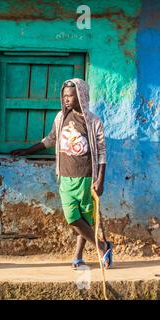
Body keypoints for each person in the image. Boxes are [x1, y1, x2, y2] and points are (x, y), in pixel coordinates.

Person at [10, 79, 113, 269]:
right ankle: (101, 245)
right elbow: (50, 139)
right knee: (73, 218)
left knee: (86, 218)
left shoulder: (93, 121)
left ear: (81, 96)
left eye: (70, 96)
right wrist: (28, 150)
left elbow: (102, 152)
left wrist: (100, 179)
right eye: (64, 96)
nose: (66, 99)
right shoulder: (61, 117)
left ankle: (78, 255)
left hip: (86, 177)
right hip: (65, 176)